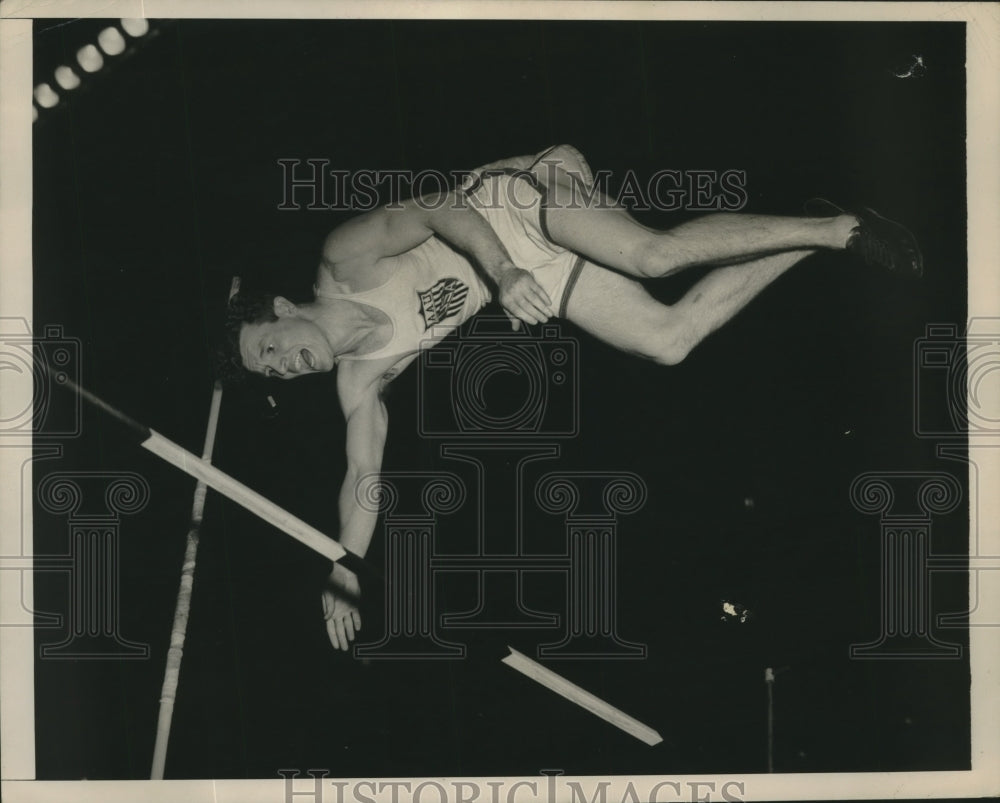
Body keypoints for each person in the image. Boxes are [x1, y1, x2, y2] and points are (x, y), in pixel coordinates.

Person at [218, 144, 922, 651]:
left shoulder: (346, 258)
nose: (284, 366)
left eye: (271, 347)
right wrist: (345, 565)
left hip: (519, 199)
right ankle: (814, 232)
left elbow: (439, 207)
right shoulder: (359, 380)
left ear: (283, 306)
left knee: (652, 255)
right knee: (668, 337)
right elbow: (364, 475)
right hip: (532, 273)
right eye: (273, 373)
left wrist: (500, 273)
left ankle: (845, 228)